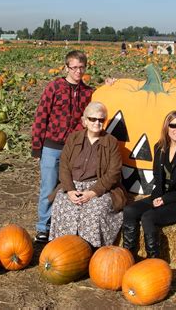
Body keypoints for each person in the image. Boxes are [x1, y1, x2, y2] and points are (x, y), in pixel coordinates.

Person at [122, 110, 176, 258]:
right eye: (173, 125)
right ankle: (127, 255)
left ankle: (153, 260)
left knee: (148, 217)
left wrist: (166, 200)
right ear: (166, 127)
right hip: (163, 196)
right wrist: (157, 196)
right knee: (130, 210)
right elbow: (157, 178)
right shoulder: (159, 147)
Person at [31, 50, 94, 243]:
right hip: (51, 146)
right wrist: (37, 145)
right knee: (48, 187)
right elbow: (41, 116)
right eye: (74, 67)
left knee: (69, 187)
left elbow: (99, 106)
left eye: (81, 67)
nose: (78, 71)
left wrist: (111, 86)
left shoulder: (88, 92)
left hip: (73, 148)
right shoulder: (54, 88)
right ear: (66, 67)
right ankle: (43, 227)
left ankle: (63, 225)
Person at [48, 102, 127, 248]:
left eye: (101, 120)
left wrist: (92, 192)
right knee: (62, 203)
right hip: (73, 185)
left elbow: (113, 172)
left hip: (99, 187)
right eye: (92, 119)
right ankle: (64, 248)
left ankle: (91, 250)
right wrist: (70, 190)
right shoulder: (74, 138)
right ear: (85, 121)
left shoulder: (111, 142)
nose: (97, 123)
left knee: (94, 211)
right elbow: (64, 165)